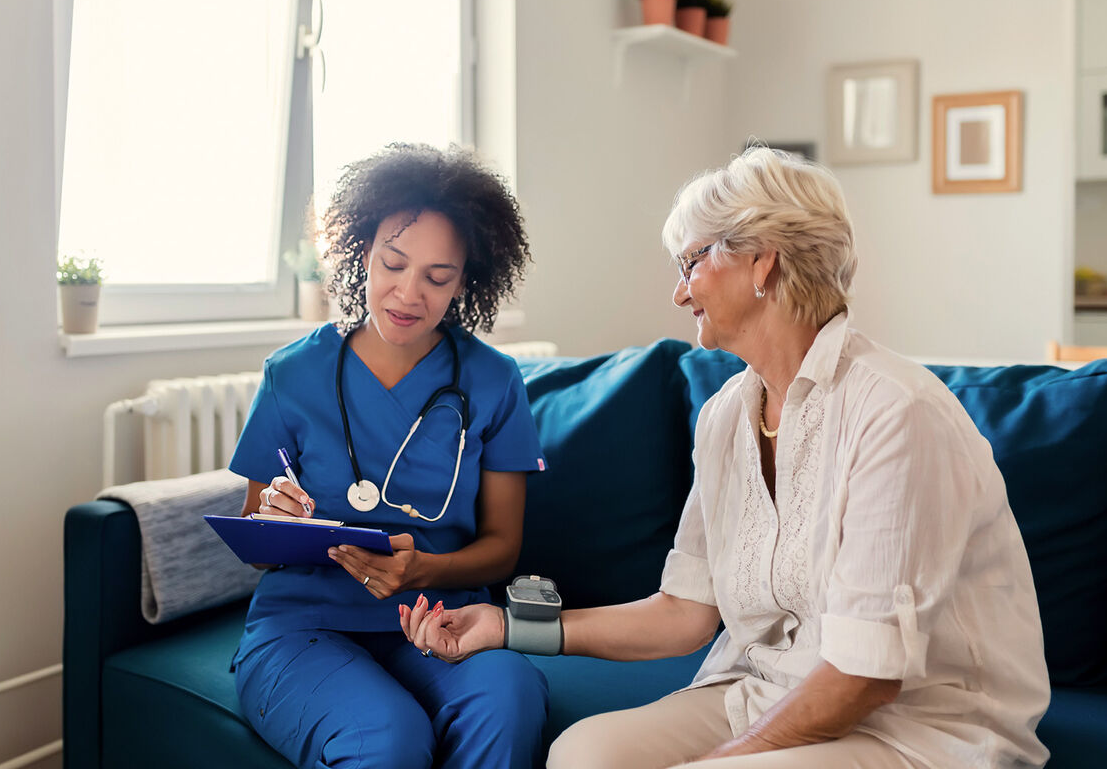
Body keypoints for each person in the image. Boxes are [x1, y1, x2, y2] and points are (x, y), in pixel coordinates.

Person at [399, 147, 1051, 768]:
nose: (680, 294)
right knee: (582, 754)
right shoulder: (725, 417)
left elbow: (865, 677)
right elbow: (685, 613)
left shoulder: (895, 413)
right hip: (763, 693)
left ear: (761, 260)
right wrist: (507, 627)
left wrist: (716, 762)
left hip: (917, 728)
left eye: (690, 264)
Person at [228, 143, 549, 769]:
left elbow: (503, 547)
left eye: (438, 277)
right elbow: (255, 542)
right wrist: (274, 517)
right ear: (361, 253)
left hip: (440, 619)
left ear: (468, 280)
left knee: (509, 699)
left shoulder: (493, 380)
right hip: (304, 626)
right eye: (392, 264)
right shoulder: (293, 374)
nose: (407, 294)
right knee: (387, 736)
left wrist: (423, 570)